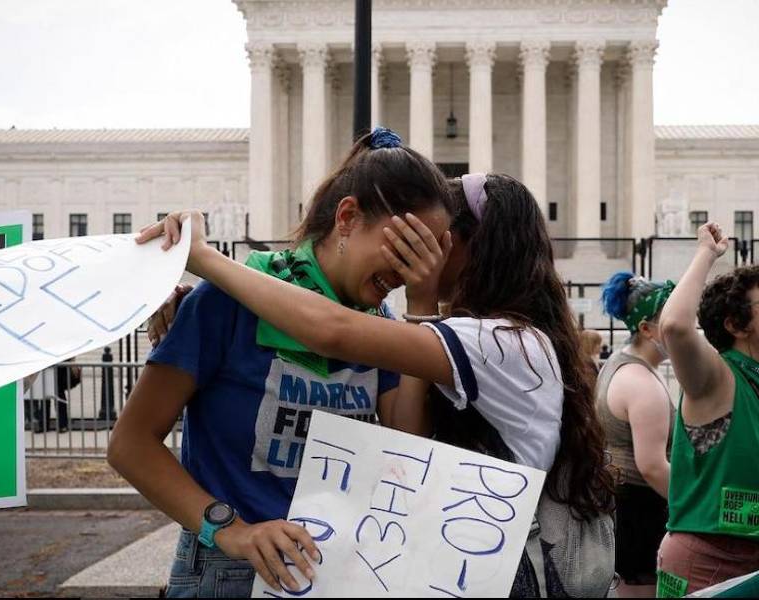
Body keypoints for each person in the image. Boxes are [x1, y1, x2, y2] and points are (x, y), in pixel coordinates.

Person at [140, 172, 616, 598]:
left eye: (433, 242)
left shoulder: (498, 341)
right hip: (269, 566)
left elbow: (334, 333)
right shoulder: (452, 335)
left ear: (471, 249)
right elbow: (134, 441)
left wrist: (207, 262)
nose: (416, 260)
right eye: (410, 240)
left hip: (475, 569)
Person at [107, 128, 454, 598]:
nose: (412, 269)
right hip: (230, 570)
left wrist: (422, 298)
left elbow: (408, 448)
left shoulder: (383, 325)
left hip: (331, 570)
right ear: (347, 218)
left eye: (428, 255)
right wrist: (231, 530)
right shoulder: (224, 302)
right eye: (405, 248)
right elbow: (130, 443)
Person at [656, 222, 759, 595]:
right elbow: (676, 327)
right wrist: (706, 254)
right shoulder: (718, 377)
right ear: (736, 325)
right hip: (708, 562)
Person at [598, 272, 676, 597]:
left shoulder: (619, 363)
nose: (682, 326)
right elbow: (652, 466)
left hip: (624, 508)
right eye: (672, 319)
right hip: (640, 513)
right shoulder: (642, 383)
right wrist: (698, 505)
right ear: (646, 328)